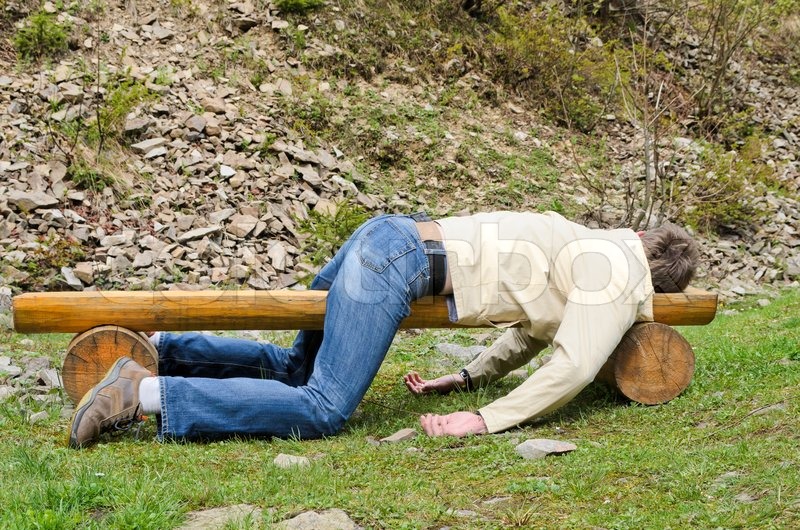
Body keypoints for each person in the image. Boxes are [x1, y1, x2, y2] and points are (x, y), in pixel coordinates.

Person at [67, 211, 699, 448]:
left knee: (296, 372)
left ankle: (161, 354)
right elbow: (577, 363)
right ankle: (140, 393)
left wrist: (467, 378)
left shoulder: (592, 245)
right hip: (399, 263)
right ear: (659, 282)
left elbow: (533, 332)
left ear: (643, 237)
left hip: (388, 234)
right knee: (323, 408)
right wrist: (486, 420)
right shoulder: (618, 275)